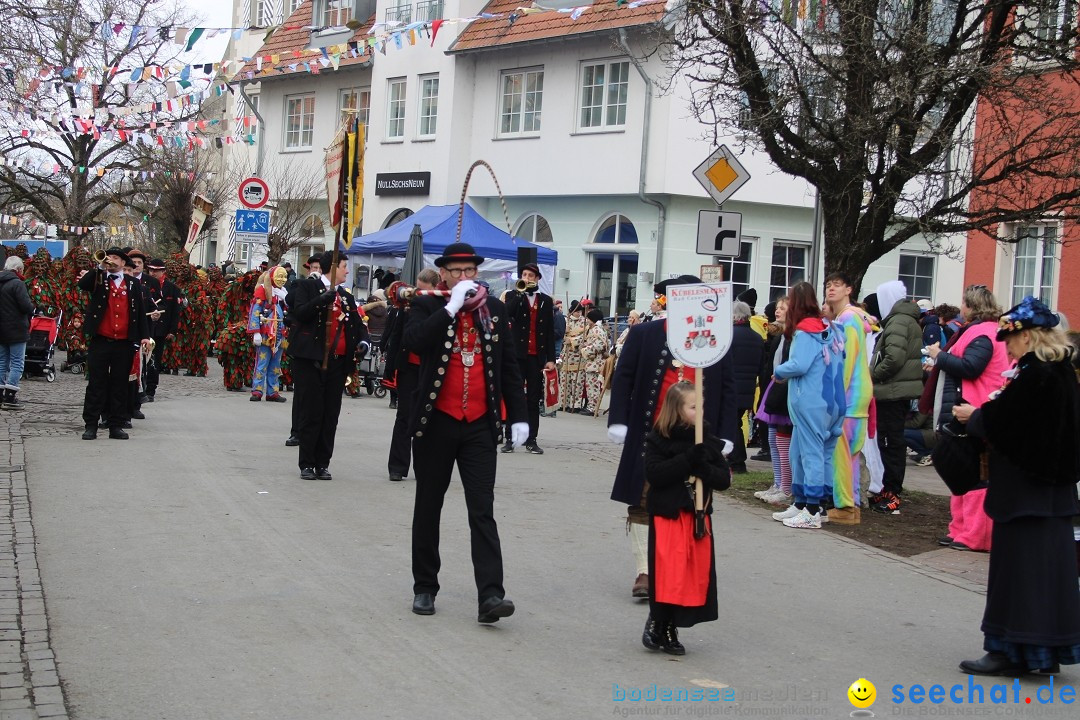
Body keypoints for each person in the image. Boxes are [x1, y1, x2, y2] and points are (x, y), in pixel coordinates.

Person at [952, 296, 1080, 676]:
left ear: (1028, 337)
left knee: (1020, 573)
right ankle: (1041, 652)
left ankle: (1010, 651)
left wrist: (976, 416)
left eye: (1011, 338)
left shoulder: (1037, 375)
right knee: (1047, 575)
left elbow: (1010, 426)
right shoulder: (1058, 373)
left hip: (1028, 491)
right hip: (1050, 493)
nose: (1006, 345)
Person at [403, 242, 527, 622]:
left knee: (482, 510)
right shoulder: (426, 304)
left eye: (468, 271)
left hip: (479, 425)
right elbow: (414, 342)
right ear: (443, 274)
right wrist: (451, 307)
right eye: (455, 272)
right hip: (436, 421)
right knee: (429, 504)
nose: (462, 278)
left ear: (478, 272)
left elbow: (508, 364)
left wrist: (520, 415)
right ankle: (425, 586)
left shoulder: (495, 309)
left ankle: (490, 595)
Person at [608, 274, 737, 599]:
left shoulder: (716, 338)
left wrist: (725, 435)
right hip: (653, 436)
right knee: (642, 502)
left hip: (697, 440)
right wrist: (619, 421)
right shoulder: (645, 333)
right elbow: (623, 377)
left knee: (692, 504)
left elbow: (727, 389)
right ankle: (645, 571)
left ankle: (680, 567)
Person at [642, 382, 730, 656]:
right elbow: (656, 475)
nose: (700, 411)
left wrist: (704, 464)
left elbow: (724, 480)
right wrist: (687, 460)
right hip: (668, 516)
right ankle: (659, 621)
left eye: (701, 406)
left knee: (690, 575)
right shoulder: (659, 439)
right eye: (694, 407)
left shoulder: (708, 441)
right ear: (676, 411)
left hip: (696, 519)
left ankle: (672, 627)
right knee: (669, 573)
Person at [923, 285, 1009, 552]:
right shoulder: (984, 331)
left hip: (974, 408)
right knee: (961, 472)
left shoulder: (982, 334)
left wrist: (939, 356)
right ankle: (960, 530)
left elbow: (971, 367)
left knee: (973, 475)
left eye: (964, 303)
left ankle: (975, 535)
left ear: (970, 306)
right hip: (968, 408)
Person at [286, 252, 369, 480]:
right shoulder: (307, 286)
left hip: (338, 363)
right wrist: (323, 299)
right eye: (344, 266)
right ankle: (307, 463)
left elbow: (358, 323)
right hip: (311, 360)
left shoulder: (345, 296)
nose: (347, 271)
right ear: (332, 267)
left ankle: (323, 463)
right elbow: (300, 313)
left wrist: (363, 342)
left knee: (331, 414)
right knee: (312, 412)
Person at [771, 282, 846, 529]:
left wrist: (779, 372)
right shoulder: (832, 328)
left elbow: (799, 365)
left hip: (811, 401)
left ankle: (811, 509)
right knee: (813, 453)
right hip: (834, 401)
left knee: (809, 453)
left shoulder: (805, 332)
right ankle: (808, 502)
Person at [77, 248, 151, 439]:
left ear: (124, 263)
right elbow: (83, 285)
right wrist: (100, 266)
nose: (111, 259)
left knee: (120, 385)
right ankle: (91, 425)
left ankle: (116, 425)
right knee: (96, 384)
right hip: (101, 340)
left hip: (124, 342)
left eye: (115, 257)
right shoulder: (99, 278)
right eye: (109, 257)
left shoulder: (133, 284)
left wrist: (144, 335)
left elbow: (140, 312)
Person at [822, 272, 875, 524]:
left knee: (842, 454)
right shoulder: (852, 317)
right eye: (828, 285)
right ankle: (851, 505)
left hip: (850, 394)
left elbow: (846, 358)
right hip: (858, 394)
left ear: (849, 290)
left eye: (837, 285)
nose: (831, 289)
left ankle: (845, 507)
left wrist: (836, 396)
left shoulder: (847, 319)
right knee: (850, 453)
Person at [868, 280, 924, 514]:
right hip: (894, 390)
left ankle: (892, 492)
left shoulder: (899, 321)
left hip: (892, 391)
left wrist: (871, 375)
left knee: (891, 443)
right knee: (889, 442)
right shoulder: (901, 320)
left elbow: (892, 358)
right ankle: (889, 488)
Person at [383, 268, 438, 481]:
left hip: (430, 368)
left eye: (424, 291)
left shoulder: (440, 308)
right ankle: (397, 466)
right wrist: (391, 366)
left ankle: (425, 466)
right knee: (404, 416)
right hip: (408, 367)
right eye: (418, 290)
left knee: (429, 419)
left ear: (434, 289)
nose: (419, 295)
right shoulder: (406, 307)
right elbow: (397, 335)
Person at [502, 263, 556, 453]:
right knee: (514, 396)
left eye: (531, 275)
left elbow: (549, 332)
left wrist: (551, 358)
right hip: (517, 355)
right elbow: (507, 313)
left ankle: (531, 439)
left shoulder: (546, 301)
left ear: (538, 278)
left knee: (533, 399)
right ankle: (510, 438)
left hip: (536, 357)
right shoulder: (513, 296)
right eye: (524, 274)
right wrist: (519, 293)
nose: (527, 278)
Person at [754, 297, 793, 505]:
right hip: (774, 387)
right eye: (777, 308)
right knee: (772, 438)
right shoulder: (779, 337)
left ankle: (785, 487)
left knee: (781, 439)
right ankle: (778, 483)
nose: (777, 311)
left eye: (782, 308)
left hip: (783, 389)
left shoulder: (792, 337)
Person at [727, 300, 765, 474]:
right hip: (748, 388)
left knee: (732, 423)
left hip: (731, 386)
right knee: (735, 422)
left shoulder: (730, 335)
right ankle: (736, 459)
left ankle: (737, 461)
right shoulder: (757, 338)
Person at [247, 266, 289, 403]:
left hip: (279, 335)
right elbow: (255, 311)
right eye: (279, 276)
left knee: (275, 365)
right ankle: (257, 390)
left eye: (284, 277)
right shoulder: (263, 291)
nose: (282, 280)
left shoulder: (283, 293)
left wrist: (287, 299)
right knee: (262, 363)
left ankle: (273, 392)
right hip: (266, 334)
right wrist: (256, 332)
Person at [0, 256, 35, 411]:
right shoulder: (17, 284)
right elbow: (26, 306)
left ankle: (0, 393)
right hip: (16, 330)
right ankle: (10, 395)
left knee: (1, 362)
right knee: (16, 363)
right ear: (18, 269)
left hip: (0, 330)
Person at [144, 259, 180, 402]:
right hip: (146, 327)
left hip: (161, 330)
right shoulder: (144, 285)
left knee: (154, 360)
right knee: (142, 360)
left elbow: (175, 312)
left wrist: (172, 330)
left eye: (156, 270)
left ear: (163, 271)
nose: (153, 272)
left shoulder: (172, 288)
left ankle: (151, 389)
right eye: (151, 270)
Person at [580, 308, 609, 416]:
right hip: (591, 363)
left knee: (594, 386)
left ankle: (593, 408)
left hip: (596, 363)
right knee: (590, 386)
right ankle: (591, 406)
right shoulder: (593, 329)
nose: (587, 320)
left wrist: (585, 349)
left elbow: (600, 345)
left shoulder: (598, 330)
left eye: (588, 318)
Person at [559, 300, 587, 413]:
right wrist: (564, 333)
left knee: (577, 382)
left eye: (580, 311)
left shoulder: (584, 322)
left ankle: (575, 404)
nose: (579, 314)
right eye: (577, 311)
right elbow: (558, 333)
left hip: (577, 356)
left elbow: (584, 337)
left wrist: (571, 340)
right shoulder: (566, 320)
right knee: (565, 382)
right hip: (566, 355)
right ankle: (563, 403)